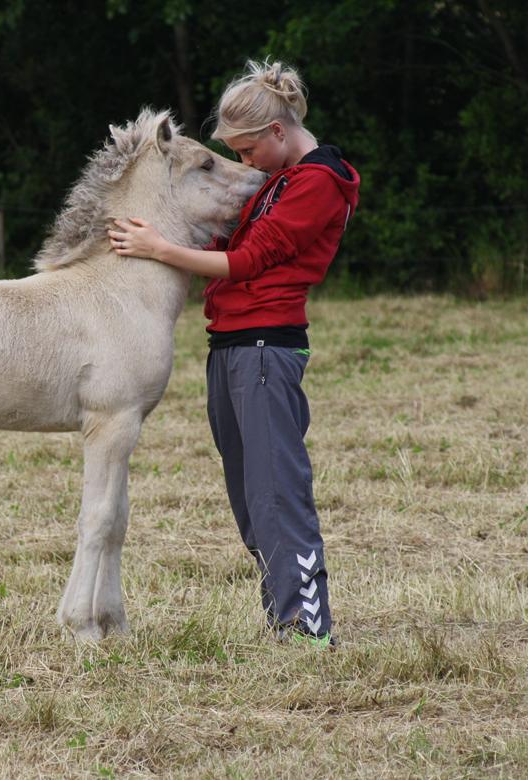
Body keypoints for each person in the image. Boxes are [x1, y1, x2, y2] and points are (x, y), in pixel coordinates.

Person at [107, 59, 359, 647]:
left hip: (267, 346)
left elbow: (243, 262)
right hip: (232, 343)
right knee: (250, 496)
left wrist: (158, 247)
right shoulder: (279, 179)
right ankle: (284, 617)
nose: (245, 164)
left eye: (248, 151)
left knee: (277, 491)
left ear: (277, 132)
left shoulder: (319, 182)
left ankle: (306, 629)